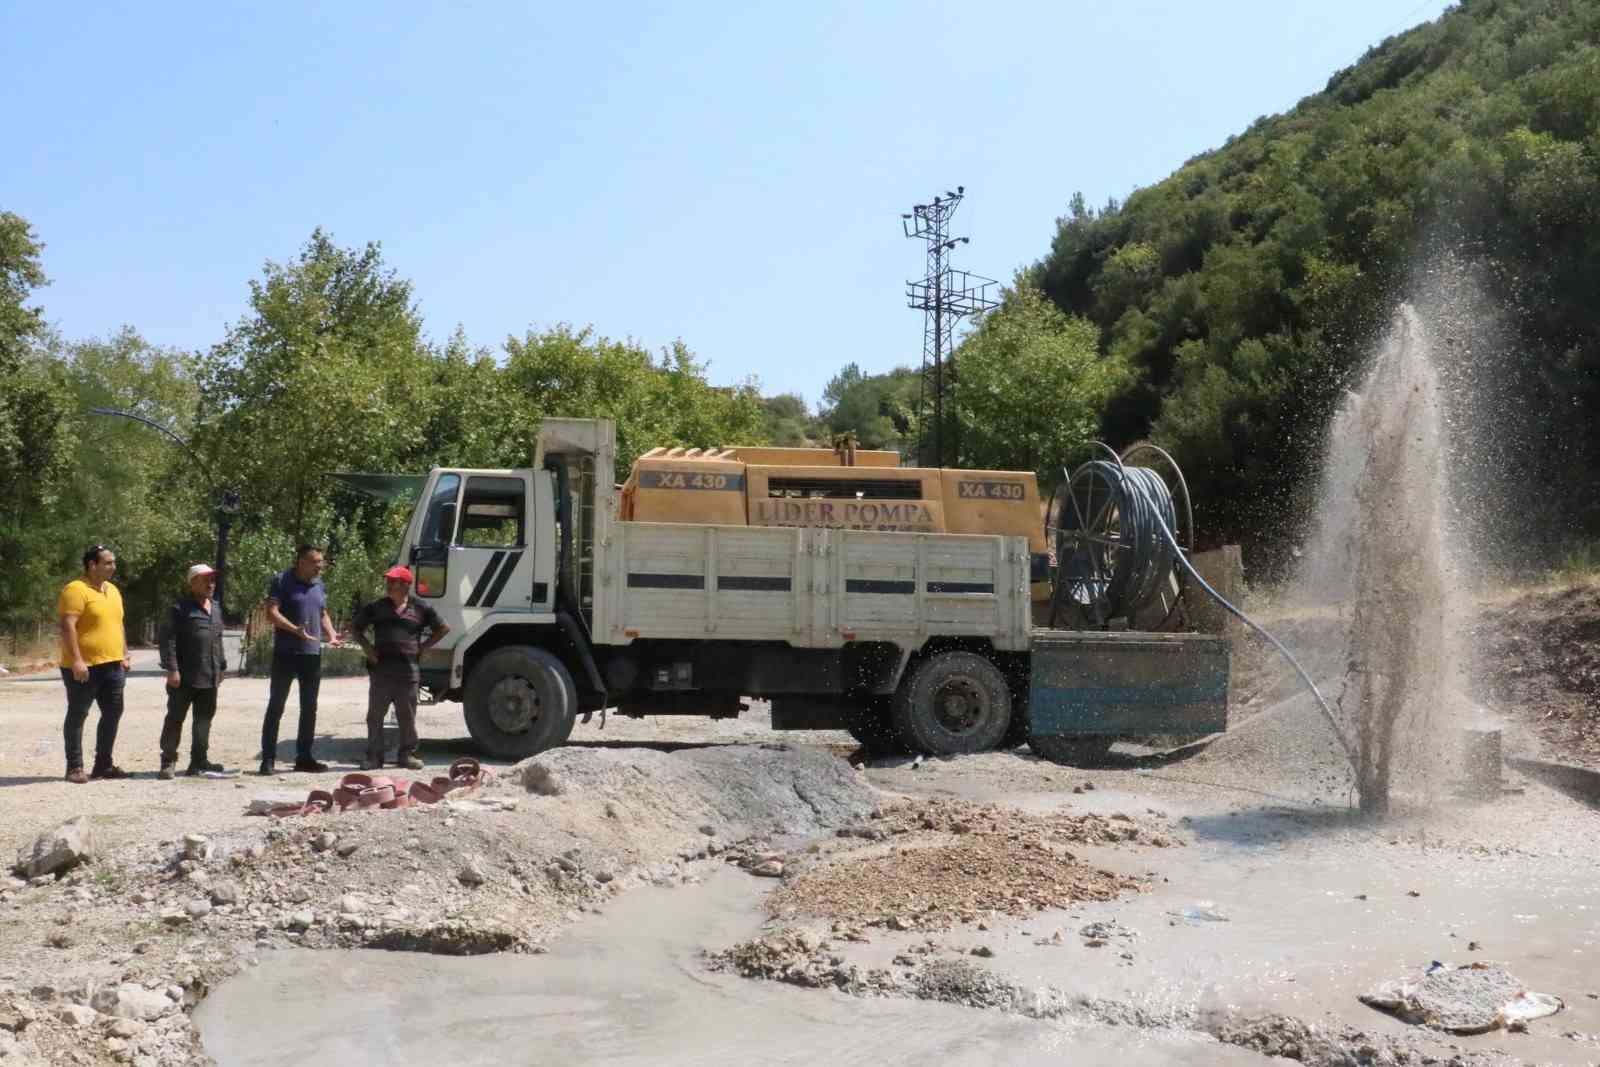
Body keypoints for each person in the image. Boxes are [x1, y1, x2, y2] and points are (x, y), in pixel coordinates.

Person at [350, 565, 449, 771]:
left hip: (408, 671)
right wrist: (368, 648)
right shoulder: (377, 607)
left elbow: (443, 628)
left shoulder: (421, 608)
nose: (388, 585)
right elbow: (355, 628)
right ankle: (374, 757)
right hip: (381, 671)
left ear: (406, 585)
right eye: (388, 581)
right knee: (375, 715)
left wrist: (424, 647)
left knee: (407, 715)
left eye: (393, 582)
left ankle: (407, 756)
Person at [259, 544, 337, 776]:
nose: (320, 566)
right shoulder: (282, 580)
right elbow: (271, 613)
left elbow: (323, 613)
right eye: (316, 562)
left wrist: (331, 635)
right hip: (286, 653)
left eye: (321, 562)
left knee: (309, 708)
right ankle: (268, 759)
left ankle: (304, 758)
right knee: (276, 706)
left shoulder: (319, 584)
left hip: (311, 655)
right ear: (301, 562)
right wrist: (295, 630)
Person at [58, 544, 132, 784]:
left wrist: (124, 653)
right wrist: (78, 661)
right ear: (92, 565)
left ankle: (103, 765)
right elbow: (67, 626)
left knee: (113, 713)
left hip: (113, 665)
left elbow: (118, 624)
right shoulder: (75, 589)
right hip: (84, 667)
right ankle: (75, 767)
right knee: (78, 715)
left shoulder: (113, 590)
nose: (113, 567)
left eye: (113, 562)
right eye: (108, 562)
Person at [157, 564, 229, 779]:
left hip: (210, 675)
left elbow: (217, 639)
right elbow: (167, 640)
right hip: (184, 676)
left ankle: (199, 761)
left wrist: (222, 666)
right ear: (192, 583)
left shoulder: (215, 607)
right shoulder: (179, 608)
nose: (210, 584)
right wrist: (172, 669)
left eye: (212, 580)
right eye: (205, 579)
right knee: (175, 719)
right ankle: (168, 761)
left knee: (204, 720)